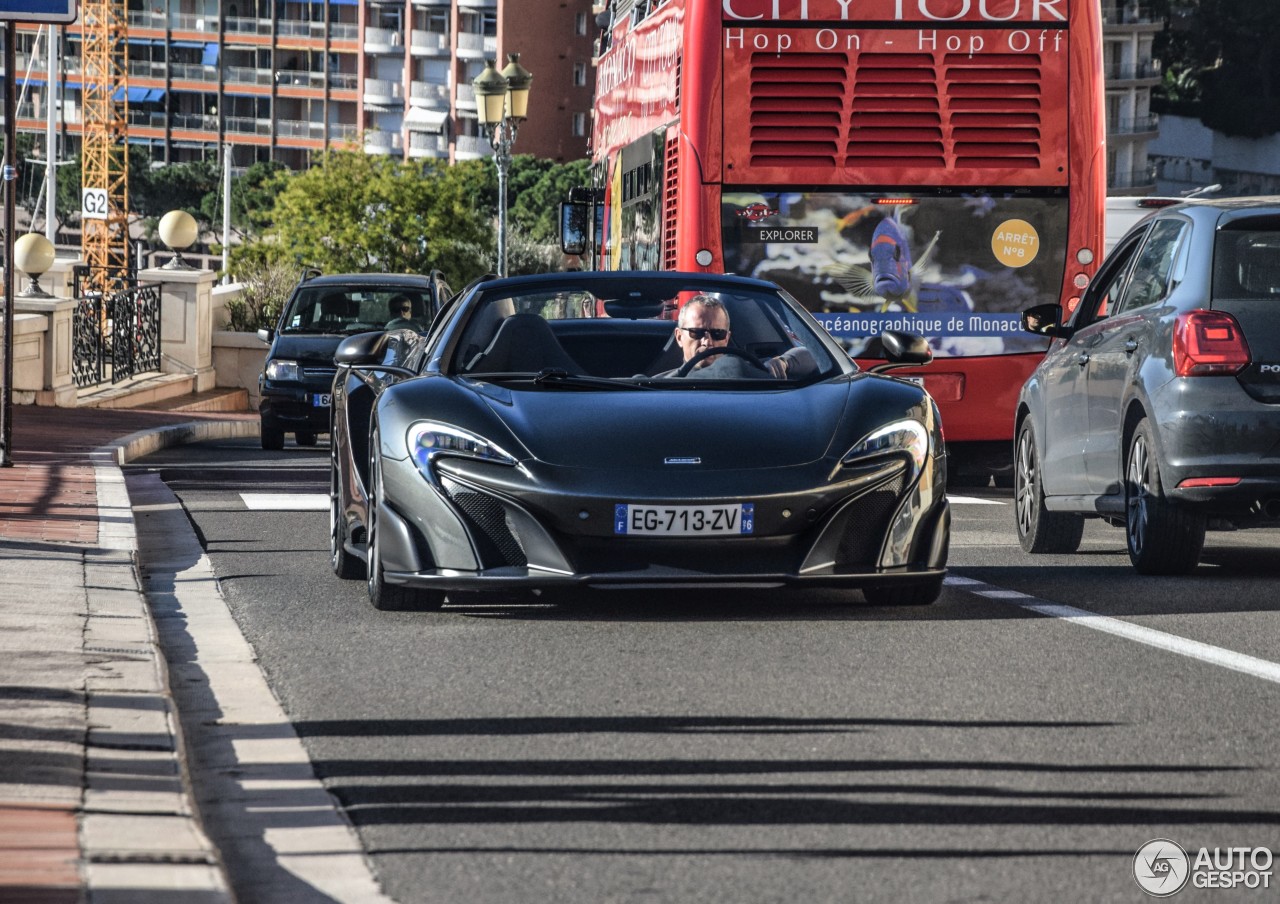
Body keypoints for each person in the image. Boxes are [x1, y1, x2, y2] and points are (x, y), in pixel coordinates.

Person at [653, 294, 816, 379]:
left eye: (718, 333)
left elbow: (816, 357)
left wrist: (784, 363)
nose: (707, 341)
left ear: (727, 337)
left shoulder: (749, 372)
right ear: (679, 337)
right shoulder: (662, 385)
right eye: (697, 332)